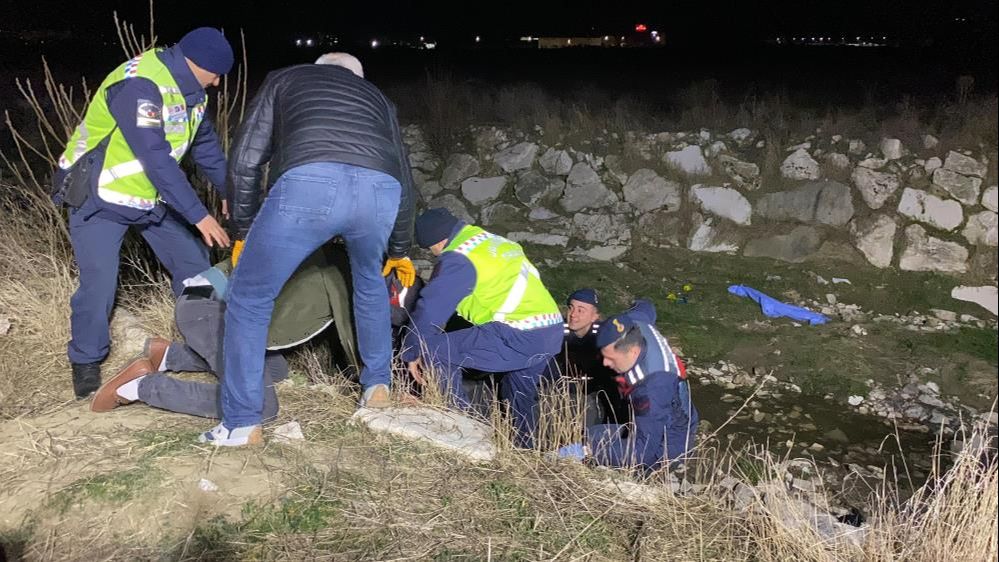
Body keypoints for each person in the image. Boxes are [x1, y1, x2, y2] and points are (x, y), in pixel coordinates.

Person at [201, 53, 416, 446]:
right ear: (357, 77)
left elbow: (247, 159)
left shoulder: (285, 76)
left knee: (249, 297)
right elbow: (404, 174)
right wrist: (400, 248)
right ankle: (377, 388)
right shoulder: (378, 99)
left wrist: (243, 231)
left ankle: (242, 423)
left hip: (309, 184)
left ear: (320, 67)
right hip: (379, 191)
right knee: (370, 283)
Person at [52, 27, 234, 399]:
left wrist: (232, 191)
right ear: (194, 63)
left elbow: (207, 151)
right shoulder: (139, 84)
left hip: (148, 198)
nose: (217, 84)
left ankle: (202, 343)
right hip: (99, 195)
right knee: (99, 284)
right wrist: (200, 215)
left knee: (196, 266)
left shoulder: (193, 94)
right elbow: (155, 158)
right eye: (215, 74)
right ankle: (86, 361)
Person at [88, 244, 421, 419]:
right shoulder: (349, 278)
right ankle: (140, 386)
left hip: (214, 302)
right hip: (210, 310)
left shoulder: (345, 256)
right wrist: (386, 392)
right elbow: (359, 346)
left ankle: (169, 356)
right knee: (259, 406)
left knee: (275, 368)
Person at [402, 208, 563, 448]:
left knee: (435, 349)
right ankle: (525, 450)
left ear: (437, 242)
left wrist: (411, 350)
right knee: (518, 392)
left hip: (518, 333)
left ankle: (463, 433)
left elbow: (431, 309)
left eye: (431, 250)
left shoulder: (459, 257)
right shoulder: (489, 241)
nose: (434, 254)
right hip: (551, 329)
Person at [559, 299, 699, 471]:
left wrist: (589, 451)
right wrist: (637, 301)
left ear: (633, 351)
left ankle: (667, 469)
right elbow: (646, 307)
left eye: (611, 358)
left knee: (626, 465)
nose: (605, 363)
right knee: (593, 435)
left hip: (671, 434)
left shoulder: (652, 388)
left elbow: (643, 450)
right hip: (666, 401)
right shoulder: (634, 323)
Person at [558, 288, 629, 427]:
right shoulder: (558, 332)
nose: (573, 315)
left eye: (581, 310)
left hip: (596, 396)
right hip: (562, 394)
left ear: (595, 316)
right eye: (571, 308)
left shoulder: (604, 338)